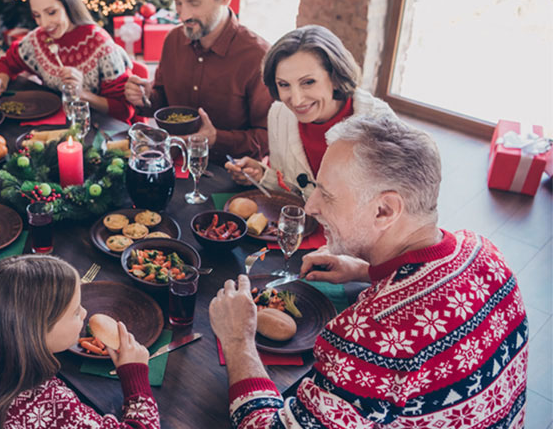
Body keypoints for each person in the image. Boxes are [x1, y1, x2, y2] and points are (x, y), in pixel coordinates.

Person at [211, 115, 528, 428]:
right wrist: (365, 270)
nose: (311, 207)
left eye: (328, 194)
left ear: (385, 210)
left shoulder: (368, 339)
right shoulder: (483, 249)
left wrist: (238, 341)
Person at [0, 254, 159, 428]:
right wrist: (135, 375)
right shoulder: (53, 406)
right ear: (39, 329)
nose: (84, 313)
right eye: (75, 312)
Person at [124, 0, 273, 160]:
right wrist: (145, 97)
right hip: (173, 161)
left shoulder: (258, 57)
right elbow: (162, 102)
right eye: (178, 3)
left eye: (194, 3)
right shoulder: (173, 40)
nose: (183, 15)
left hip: (229, 175)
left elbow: (270, 138)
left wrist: (216, 138)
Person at [225, 25, 396, 199]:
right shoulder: (279, 114)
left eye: (308, 82)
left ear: (336, 77)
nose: (297, 100)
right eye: (284, 84)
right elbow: (289, 189)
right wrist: (262, 175)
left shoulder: (380, 122)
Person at [0, 0, 135, 123]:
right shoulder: (38, 39)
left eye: (51, 12)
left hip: (100, 130)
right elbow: (9, 62)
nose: (44, 23)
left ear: (69, 5)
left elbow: (124, 110)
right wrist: (0, 81)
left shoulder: (101, 45)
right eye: (37, 15)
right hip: (57, 122)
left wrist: (81, 93)